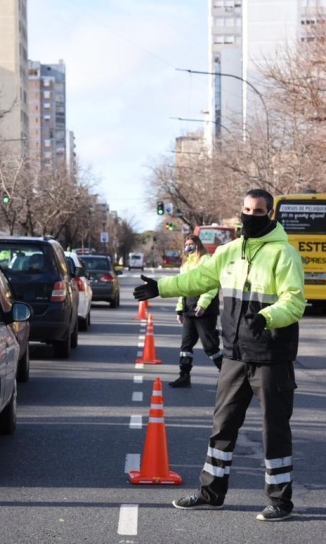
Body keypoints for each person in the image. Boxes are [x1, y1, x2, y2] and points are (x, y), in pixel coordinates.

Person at [134, 188, 305, 522]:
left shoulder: (284, 254)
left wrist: (268, 316)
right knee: (222, 426)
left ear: (270, 214)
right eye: (245, 209)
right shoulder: (228, 251)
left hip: (272, 356)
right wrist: (161, 288)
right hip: (235, 356)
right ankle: (210, 494)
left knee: (275, 430)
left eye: (258, 211)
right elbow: (199, 278)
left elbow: (294, 301)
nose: (250, 216)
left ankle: (280, 501)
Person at [169, 234, 223, 388]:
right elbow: (182, 287)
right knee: (186, 346)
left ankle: (228, 376)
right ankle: (184, 376)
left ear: (198, 245)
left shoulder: (206, 260)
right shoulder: (185, 264)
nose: (189, 247)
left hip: (204, 310)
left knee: (210, 346)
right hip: (188, 308)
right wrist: (180, 309)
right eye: (186, 244)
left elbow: (212, 284)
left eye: (191, 244)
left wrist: (203, 304)